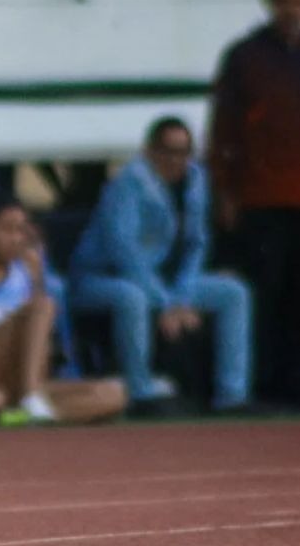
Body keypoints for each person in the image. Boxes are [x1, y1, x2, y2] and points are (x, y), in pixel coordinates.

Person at [69, 116, 254, 418]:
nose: (176, 160)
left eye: (183, 152)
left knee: (233, 292)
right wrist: (166, 303)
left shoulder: (196, 180)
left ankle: (232, 396)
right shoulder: (128, 183)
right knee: (131, 296)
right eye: (168, 151)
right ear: (150, 151)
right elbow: (124, 252)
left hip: (168, 282)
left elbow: (197, 243)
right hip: (101, 278)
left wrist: (181, 298)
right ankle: (140, 394)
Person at [0, 192, 126, 426]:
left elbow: (39, 337)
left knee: (113, 393)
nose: (16, 239)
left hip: (16, 381)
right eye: (6, 230)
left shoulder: (29, 268)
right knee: (43, 306)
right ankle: (30, 398)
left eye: (21, 230)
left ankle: (30, 413)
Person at [209, 0, 300, 407]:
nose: (290, 9)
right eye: (283, 0)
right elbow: (223, 128)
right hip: (261, 197)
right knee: (266, 293)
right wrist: (225, 190)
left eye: (297, 0)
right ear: (269, 3)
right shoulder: (246, 57)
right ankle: (263, 385)